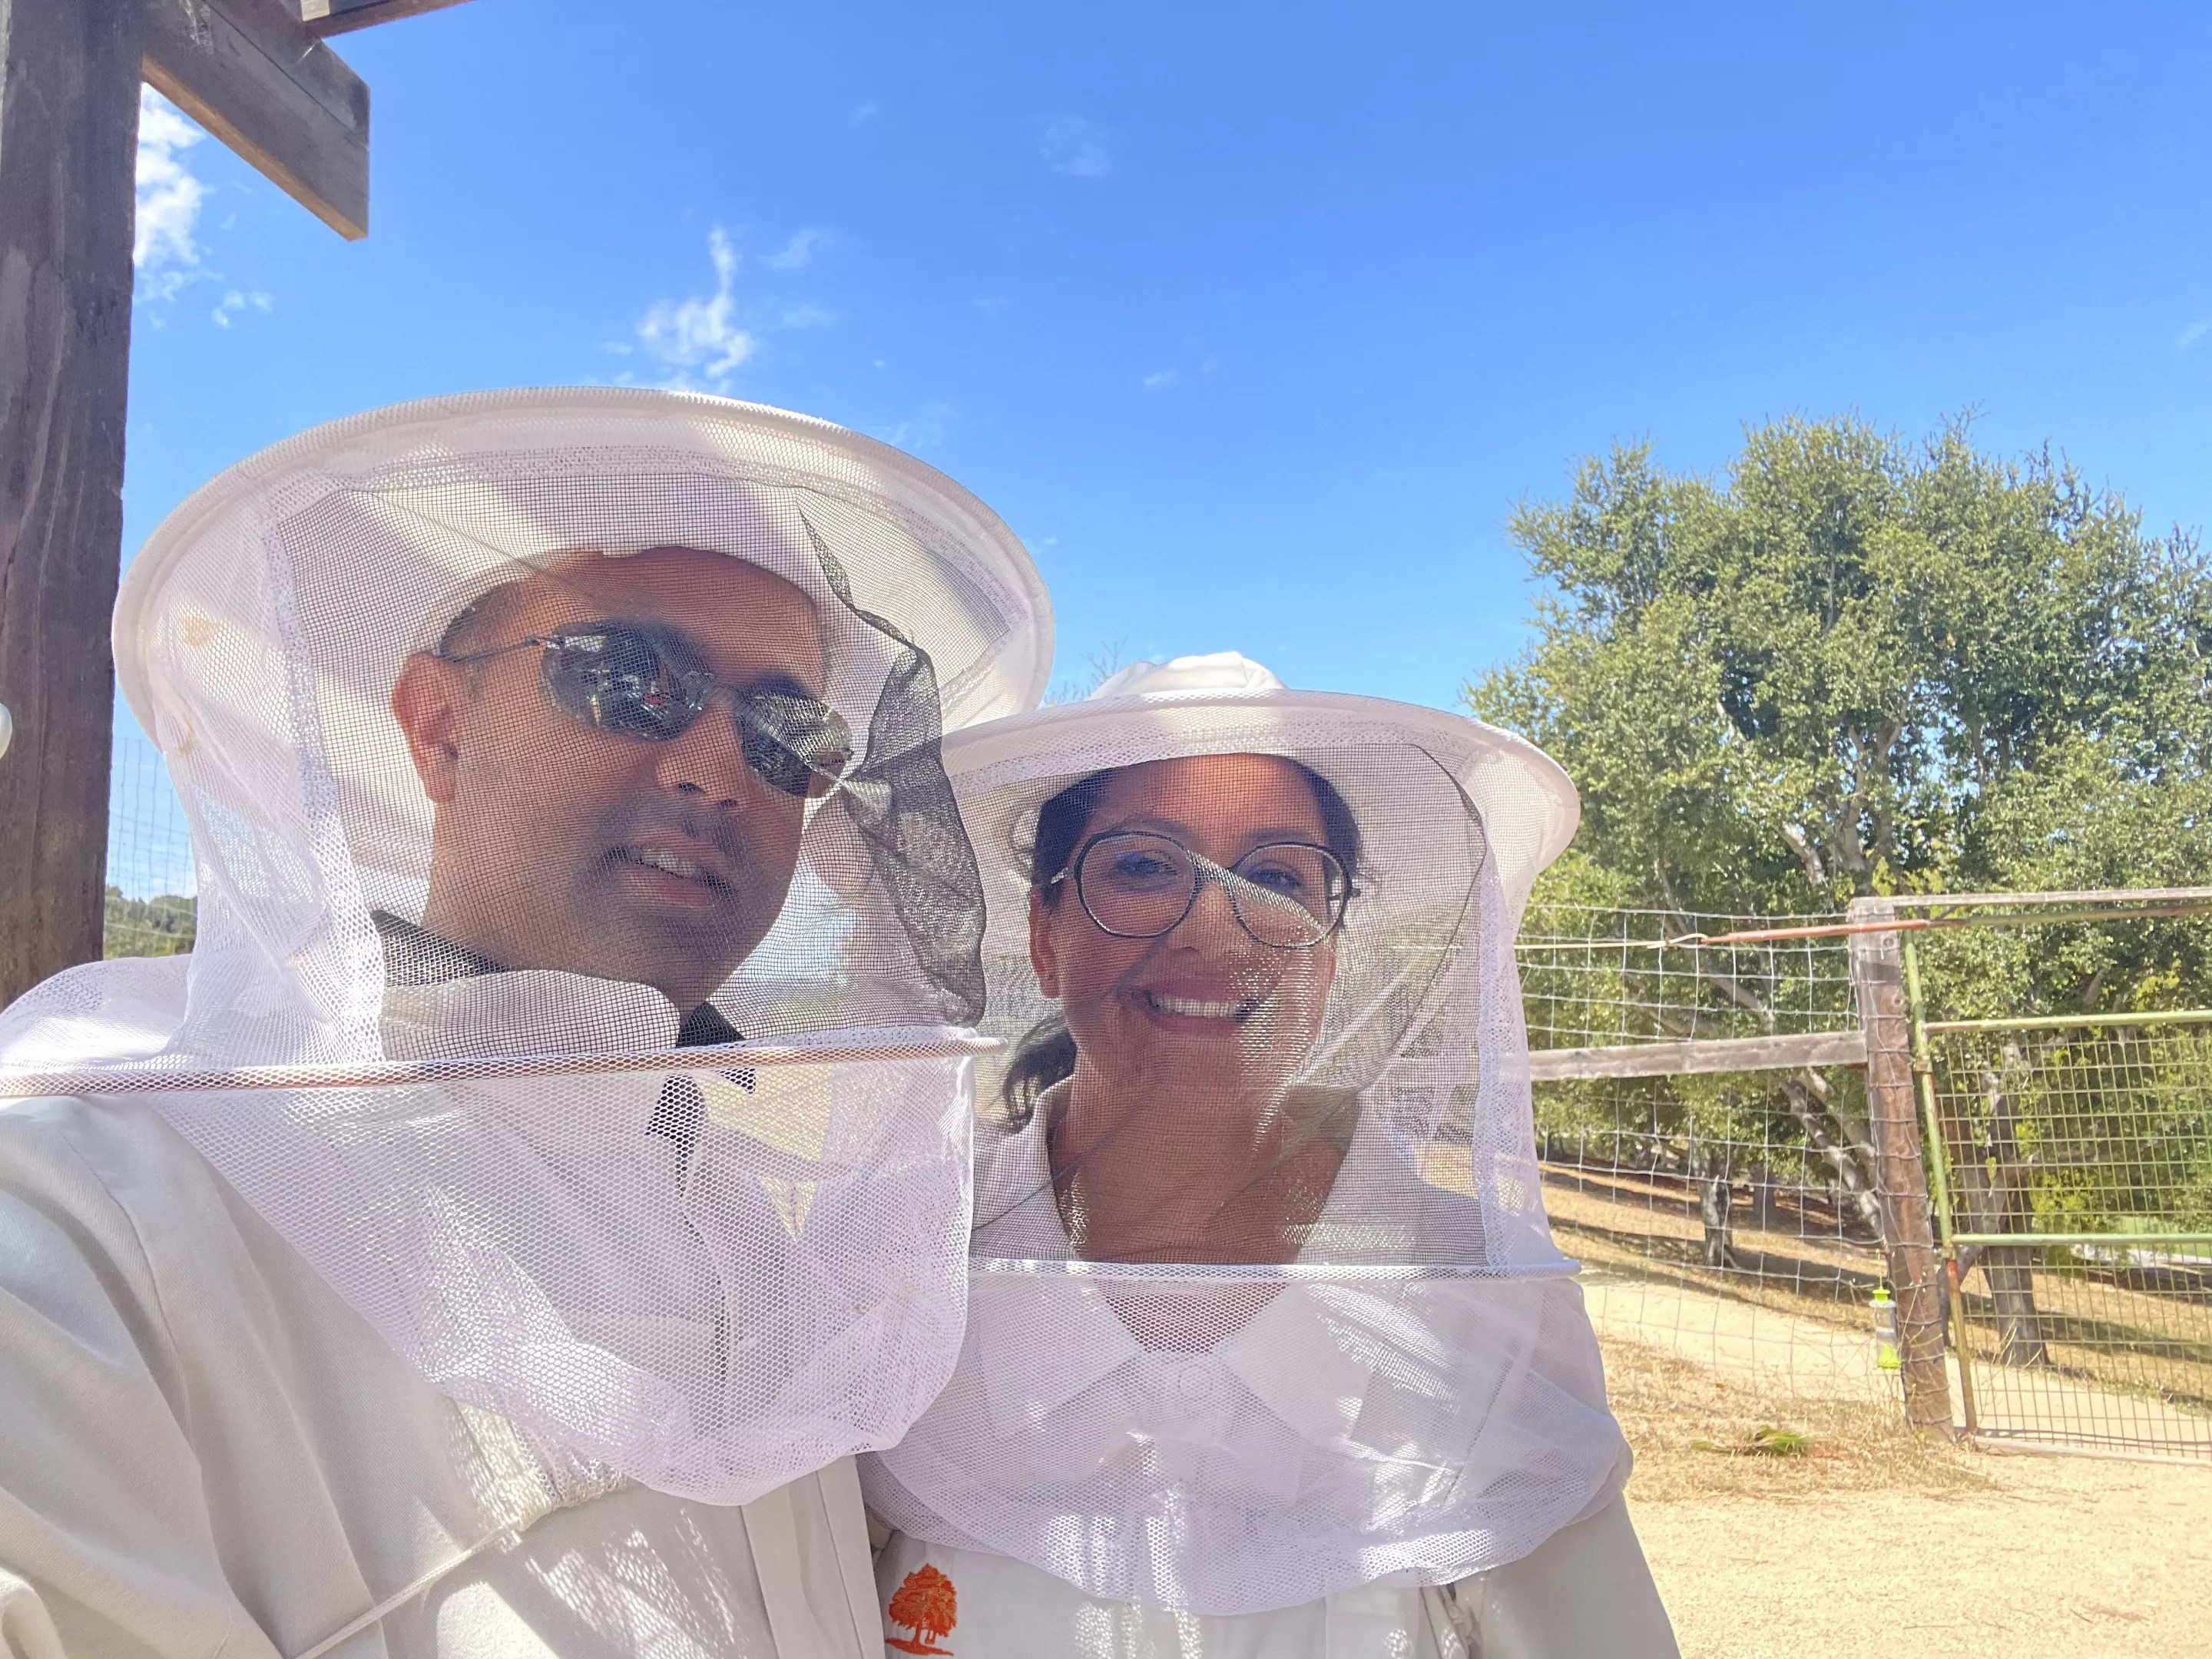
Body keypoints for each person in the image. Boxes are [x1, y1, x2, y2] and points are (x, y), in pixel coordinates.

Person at [0, 389, 1051, 1658]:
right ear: (438, 726)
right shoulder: (93, 1203)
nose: (717, 767)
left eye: (790, 735)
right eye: (626, 679)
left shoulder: (753, 1210)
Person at [863, 653, 1680, 1657]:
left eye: (1276, 876)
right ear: (1044, 931)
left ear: (1328, 951)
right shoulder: (887, 1273)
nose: (1213, 923)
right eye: (1144, 865)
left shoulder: (1478, 1301)